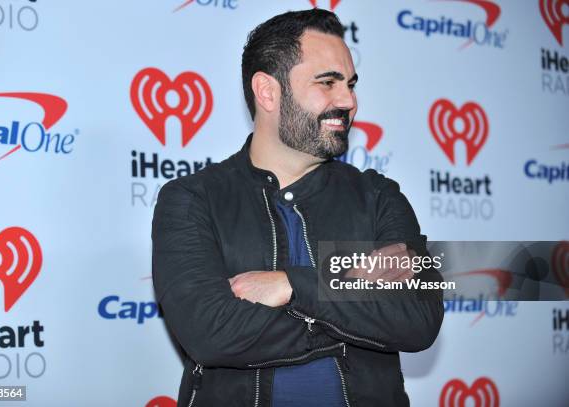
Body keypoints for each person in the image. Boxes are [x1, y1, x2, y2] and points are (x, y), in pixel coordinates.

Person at [152, 8, 443, 407]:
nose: (349, 101)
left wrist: (292, 284)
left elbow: (417, 318)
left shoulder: (379, 197)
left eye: (351, 84)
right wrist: (349, 303)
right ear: (267, 91)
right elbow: (211, 333)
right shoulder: (192, 199)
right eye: (328, 83)